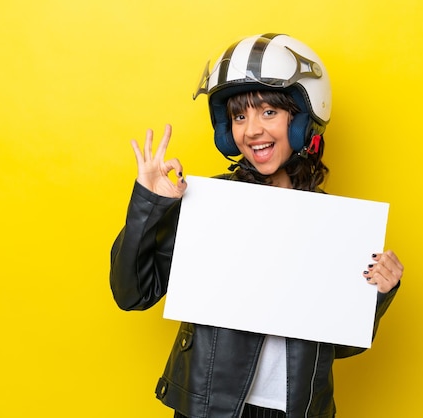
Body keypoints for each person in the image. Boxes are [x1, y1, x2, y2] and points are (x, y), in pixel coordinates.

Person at [110, 33, 404, 418]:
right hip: (210, 409)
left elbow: (340, 346)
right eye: (239, 116)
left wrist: (380, 291)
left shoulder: (336, 227)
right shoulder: (204, 205)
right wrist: (152, 203)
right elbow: (132, 293)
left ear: (302, 119)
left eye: (268, 112)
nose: (251, 130)